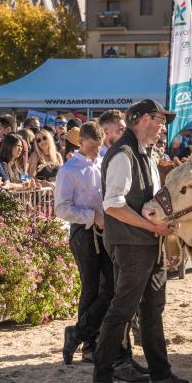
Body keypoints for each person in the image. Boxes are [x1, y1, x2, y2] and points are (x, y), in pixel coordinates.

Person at [93, 99, 188, 383]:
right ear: (144, 119)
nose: (163, 126)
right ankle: (101, 378)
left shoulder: (144, 154)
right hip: (132, 244)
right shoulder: (123, 154)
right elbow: (113, 205)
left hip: (148, 243)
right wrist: (154, 228)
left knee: (152, 310)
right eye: (160, 120)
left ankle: (160, 375)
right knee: (122, 310)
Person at [57, 122, 115, 367]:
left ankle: (79, 333)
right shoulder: (68, 170)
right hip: (83, 232)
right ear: (80, 143)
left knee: (110, 286)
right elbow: (61, 209)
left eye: (99, 147)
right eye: (92, 146)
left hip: (103, 231)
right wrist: (92, 216)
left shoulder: (101, 163)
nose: (96, 151)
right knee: (90, 288)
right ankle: (89, 344)